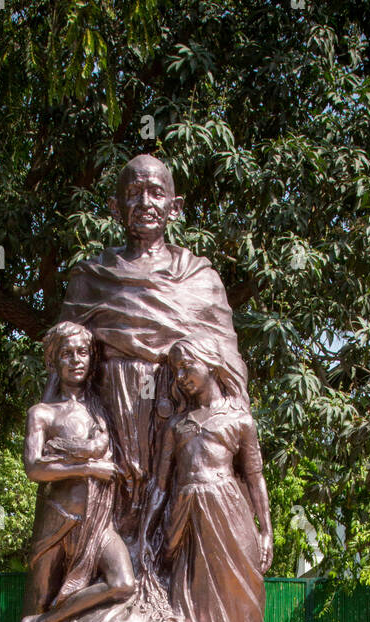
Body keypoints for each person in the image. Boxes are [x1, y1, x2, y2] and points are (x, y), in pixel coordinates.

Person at [59, 155, 248, 529]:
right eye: (134, 193)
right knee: (109, 527)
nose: (145, 203)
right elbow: (62, 361)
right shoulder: (90, 277)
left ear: (174, 208)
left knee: (170, 522)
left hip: (178, 412)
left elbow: (229, 362)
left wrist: (233, 430)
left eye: (156, 193)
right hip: (107, 416)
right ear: (116, 208)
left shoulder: (200, 278)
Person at [139, 336, 276, 622]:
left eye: (188, 367)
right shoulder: (178, 426)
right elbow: (161, 486)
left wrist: (266, 530)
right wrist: (146, 532)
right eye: (176, 371)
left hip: (230, 517)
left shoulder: (239, 420)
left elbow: (255, 478)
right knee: (194, 606)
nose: (181, 377)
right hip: (187, 519)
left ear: (211, 365)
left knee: (239, 605)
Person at [17, 321, 134, 622]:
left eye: (82, 352)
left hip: (99, 522)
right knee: (42, 592)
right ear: (54, 361)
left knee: (123, 583)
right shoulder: (43, 414)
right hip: (62, 519)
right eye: (67, 354)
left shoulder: (101, 409)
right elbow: (35, 468)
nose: (76, 360)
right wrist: (89, 468)